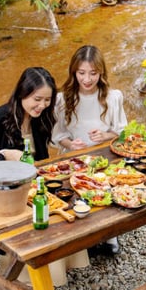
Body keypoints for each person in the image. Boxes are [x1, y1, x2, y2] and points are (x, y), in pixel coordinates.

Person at [0, 67, 83, 286]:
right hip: (5, 197)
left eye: (47, 100)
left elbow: (40, 162)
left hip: (33, 190)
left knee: (70, 207)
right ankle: (34, 277)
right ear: (22, 93)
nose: (42, 105)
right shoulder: (0, 117)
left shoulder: (40, 119)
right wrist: (2, 155)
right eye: (37, 99)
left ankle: (62, 265)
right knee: (46, 223)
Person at [52, 45, 128, 255]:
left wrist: (105, 136)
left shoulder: (113, 97)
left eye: (93, 73)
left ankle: (110, 234)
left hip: (102, 158)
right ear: (74, 72)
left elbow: (122, 132)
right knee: (74, 196)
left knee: (104, 193)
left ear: (101, 73)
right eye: (81, 73)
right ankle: (80, 239)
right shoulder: (62, 99)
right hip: (73, 158)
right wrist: (70, 145)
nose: (87, 79)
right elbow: (58, 136)